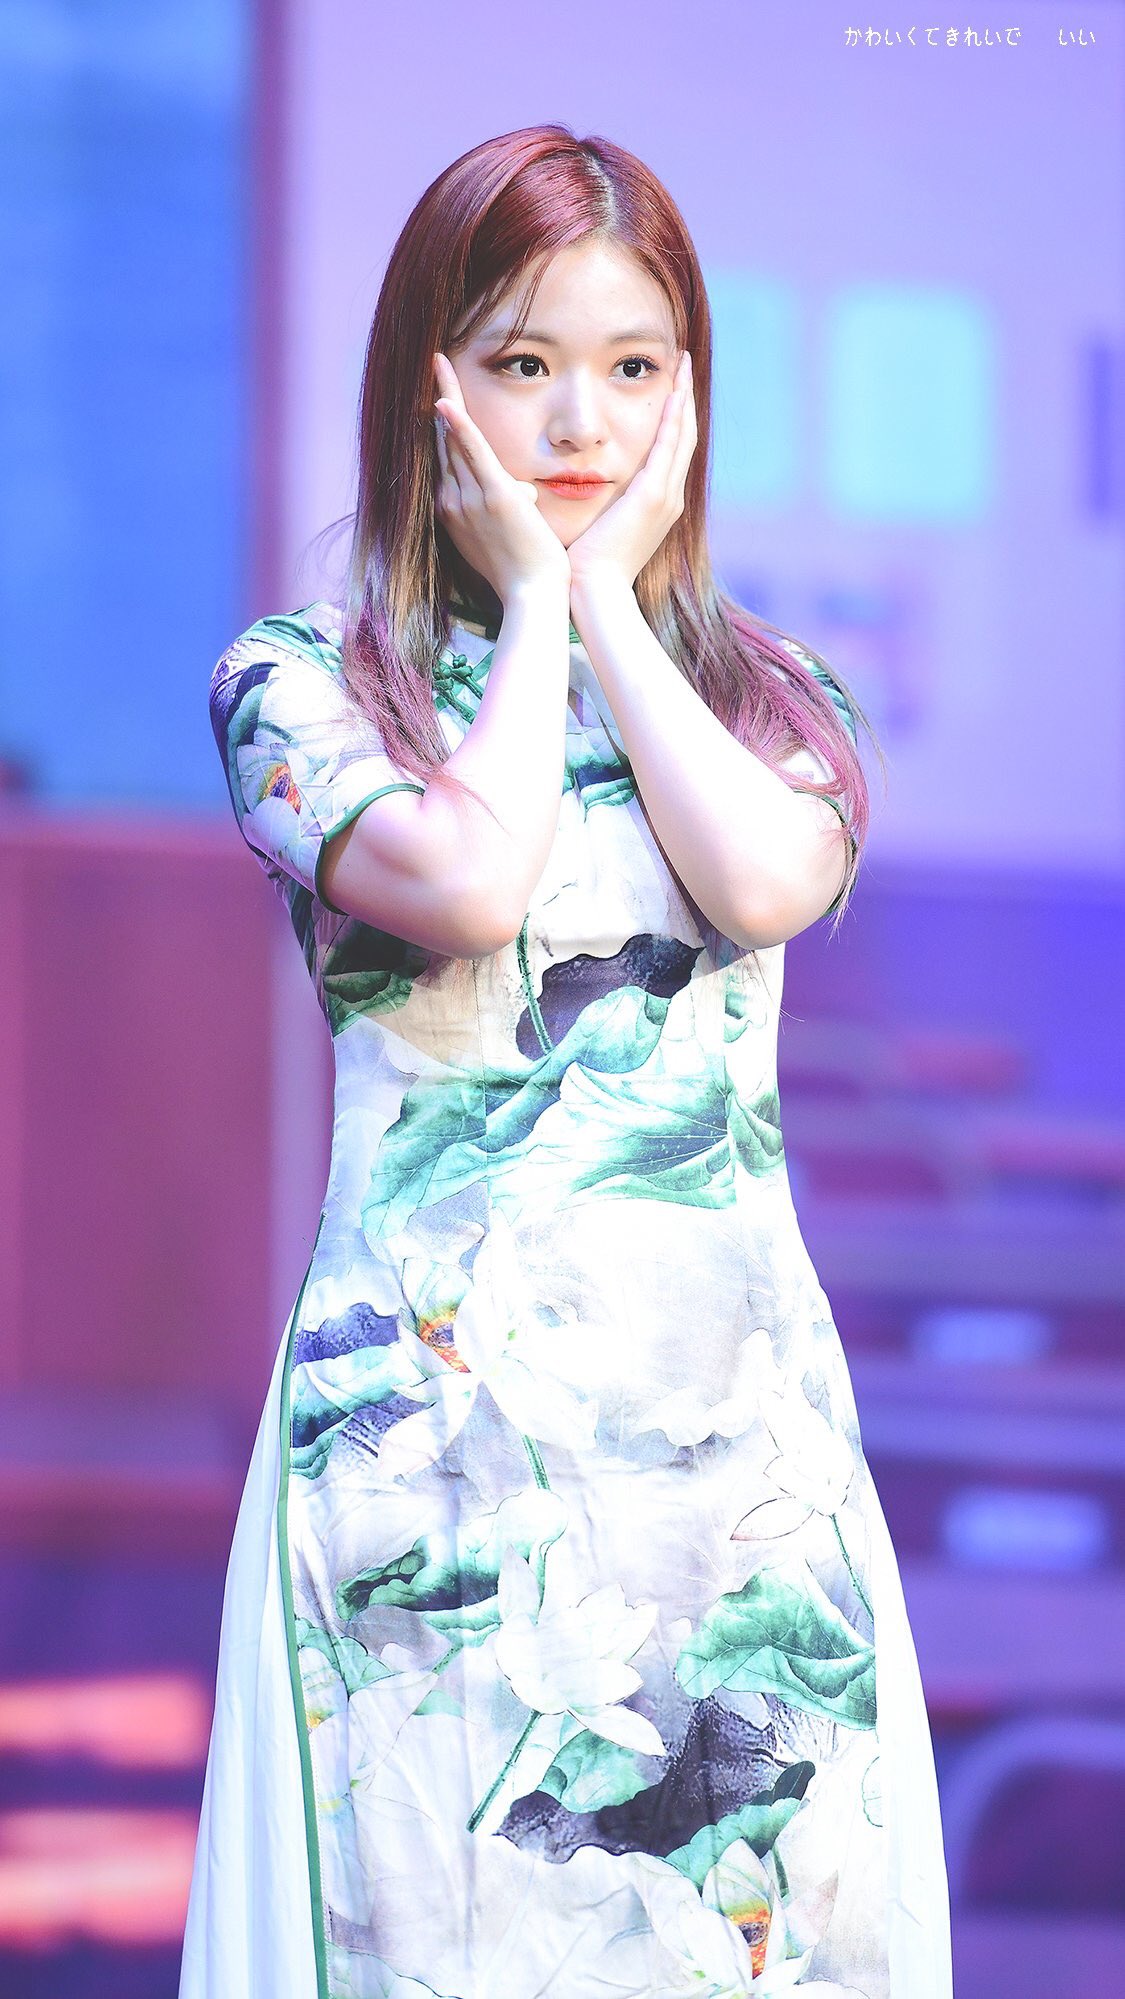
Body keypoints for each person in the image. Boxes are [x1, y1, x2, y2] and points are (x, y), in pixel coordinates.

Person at [180, 124, 952, 1999]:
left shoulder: (773, 697)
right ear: (427, 384)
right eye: (523, 363)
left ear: (690, 391)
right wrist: (533, 607)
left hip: (733, 1457)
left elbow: (761, 886)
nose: (579, 421)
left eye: (631, 366)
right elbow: (467, 883)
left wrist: (604, 601)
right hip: (431, 1458)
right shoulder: (303, 682)